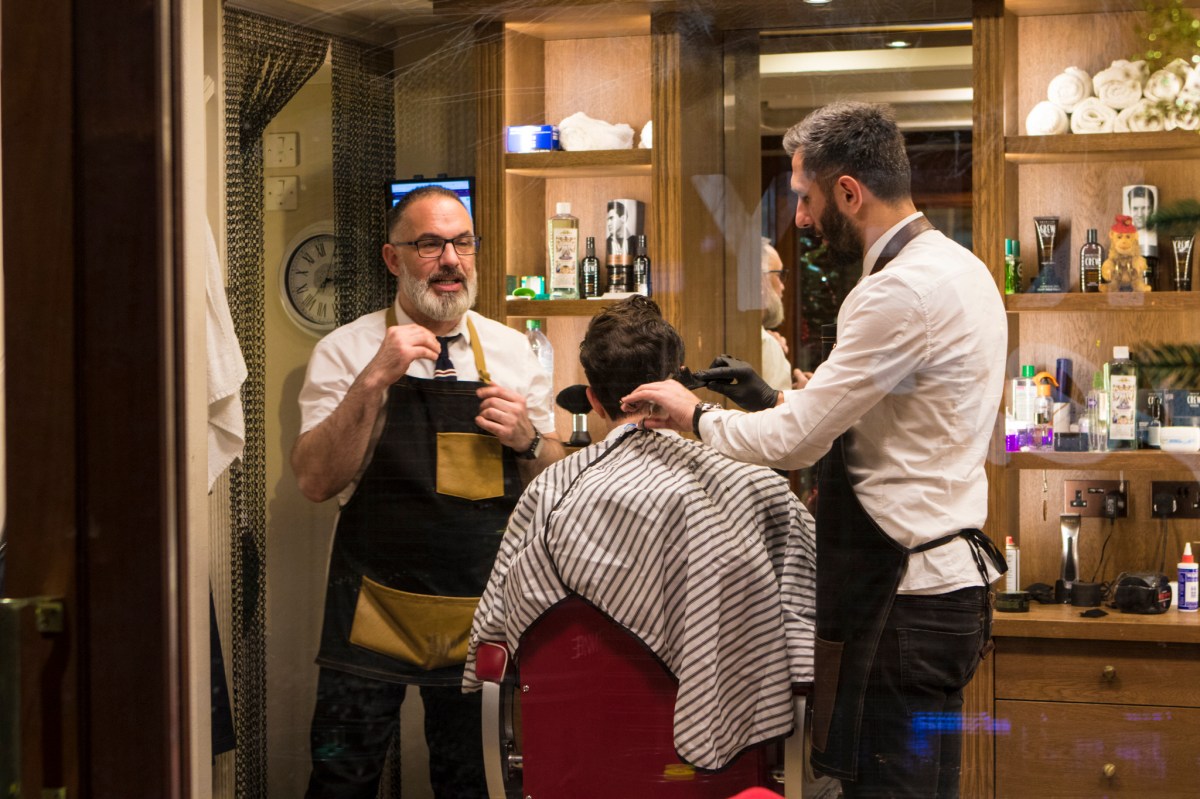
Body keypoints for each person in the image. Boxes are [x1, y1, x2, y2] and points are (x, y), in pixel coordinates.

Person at [623, 101, 1008, 798]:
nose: (799, 217)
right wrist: (770, 398)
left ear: (849, 192)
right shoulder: (960, 268)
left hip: (901, 599)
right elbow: (892, 427)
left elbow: (798, 443)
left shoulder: (897, 291)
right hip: (943, 589)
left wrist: (694, 415)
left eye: (805, 197)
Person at [463, 295, 816, 772]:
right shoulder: (756, 487)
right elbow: (804, 636)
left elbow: (495, 635)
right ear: (681, 383)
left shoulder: (550, 493)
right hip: (725, 774)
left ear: (592, 399)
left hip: (576, 762)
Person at [291, 185, 565, 798]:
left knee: (473, 784)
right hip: (371, 612)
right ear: (393, 258)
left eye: (463, 243)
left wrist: (527, 440)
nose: (450, 261)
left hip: (479, 613)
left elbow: (553, 486)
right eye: (430, 245)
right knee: (341, 779)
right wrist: (373, 382)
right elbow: (314, 480)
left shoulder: (513, 352)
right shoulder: (346, 351)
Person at [760, 237, 811, 391]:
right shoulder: (767, 344)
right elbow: (775, 406)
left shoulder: (766, 341)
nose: (783, 286)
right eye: (779, 275)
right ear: (760, 280)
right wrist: (805, 396)